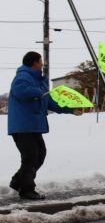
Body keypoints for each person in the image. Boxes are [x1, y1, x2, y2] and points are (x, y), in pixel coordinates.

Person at [7, 51, 83, 201]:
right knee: (30, 158)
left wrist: (71, 110)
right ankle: (27, 190)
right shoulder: (22, 77)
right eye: (41, 61)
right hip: (23, 126)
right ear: (34, 62)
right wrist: (41, 92)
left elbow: (50, 102)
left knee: (40, 155)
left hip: (34, 126)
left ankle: (18, 181)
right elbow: (21, 91)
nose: (42, 64)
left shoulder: (39, 81)